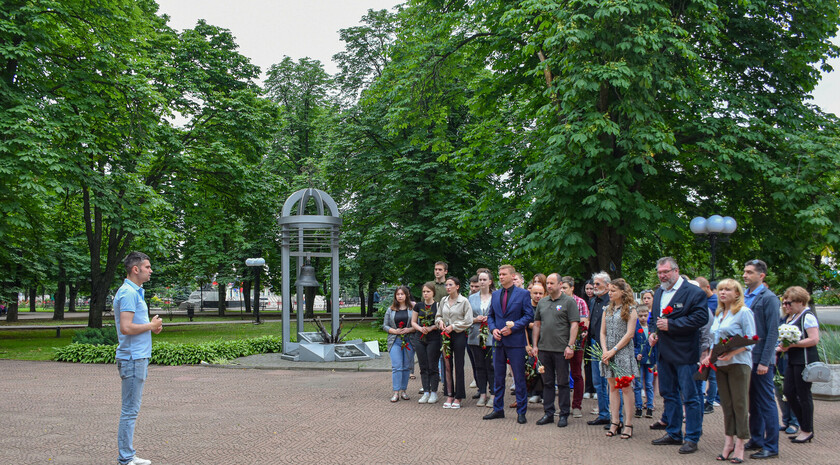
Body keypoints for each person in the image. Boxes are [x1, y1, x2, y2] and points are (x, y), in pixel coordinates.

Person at [649, 257, 708, 455]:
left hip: (685, 353)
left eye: (665, 271)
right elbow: (654, 319)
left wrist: (673, 325)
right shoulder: (659, 292)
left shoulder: (694, 293)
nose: (662, 275)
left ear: (676, 270)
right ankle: (673, 432)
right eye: (659, 272)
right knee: (668, 394)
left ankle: (692, 437)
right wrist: (652, 332)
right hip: (664, 353)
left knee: (690, 397)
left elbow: (701, 318)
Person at [114, 251, 162, 465]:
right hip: (133, 359)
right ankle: (125, 458)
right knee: (129, 411)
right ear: (136, 269)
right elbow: (126, 327)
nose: (151, 271)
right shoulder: (129, 293)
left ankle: (128, 455)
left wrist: (151, 328)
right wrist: (150, 326)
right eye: (148, 267)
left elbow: (134, 326)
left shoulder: (135, 292)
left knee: (131, 410)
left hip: (136, 358)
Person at [701, 279, 756, 464]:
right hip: (720, 365)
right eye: (721, 289)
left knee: (740, 403)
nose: (723, 292)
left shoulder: (743, 312)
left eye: (728, 289)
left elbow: (751, 338)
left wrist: (732, 352)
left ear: (737, 293)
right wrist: (709, 355)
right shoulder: (719, 313)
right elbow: (714, 340)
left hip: (739, 363)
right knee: (726, 404)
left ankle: (740, 444)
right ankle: (728, 441)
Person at [483, 264, 534, 424]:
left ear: (512, 276)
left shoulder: (523, 294)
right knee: (498, 377)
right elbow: (490, 316)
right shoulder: (496, 294)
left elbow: (528, 316)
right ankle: (498, 409)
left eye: (504, 274)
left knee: (519, 377)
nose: (500, 276)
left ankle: (521, 412)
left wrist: (513, 328)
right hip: (498, 341)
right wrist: (493, 330)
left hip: (516, 341)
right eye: (499, 274)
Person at [742, 259, 780, 459]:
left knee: (766, 402)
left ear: (761, 275)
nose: (745, 275)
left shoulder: (769, 298)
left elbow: (773, 332)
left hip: (760, 359)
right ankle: (756, 438)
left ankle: (771, 446)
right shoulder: (745, 296)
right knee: (753, 402)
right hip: (746, 357)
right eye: (745, 272)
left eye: (749, 272)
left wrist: (765, 361)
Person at [532, 273, 579, 427]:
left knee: (563, 382)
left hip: (561, 350)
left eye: (552, 283)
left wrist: (570, 345)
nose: (549, 286)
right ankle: (549, 413)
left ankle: (564, 414)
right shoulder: (543, 302)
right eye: (548, 283)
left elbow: (574, 324)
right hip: (544, 349)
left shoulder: (569, 302)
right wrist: (535, 345)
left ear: (560, 284)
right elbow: (537, 324)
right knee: (547, 382)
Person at [778, 286, 820, 445]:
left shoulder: (807, 316)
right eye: (784, 303)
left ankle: (807, 429)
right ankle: (804, 426)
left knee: (803, 394)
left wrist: (793, 344)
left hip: (805, 359)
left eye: (789, 303)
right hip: (793, 359)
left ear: (800, 302)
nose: (786, 306)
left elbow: (814, 339)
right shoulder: (794, 315)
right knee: (788, 391)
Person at [600, 279, 639, 439]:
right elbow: (602, 332)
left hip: (622, 352)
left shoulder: (631, 309)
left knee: (625, 387)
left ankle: (628, 423)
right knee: (612, 387)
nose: (610, 293)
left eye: (613, 290)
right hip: (608, 352)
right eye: (609, 290)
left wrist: (614, 350)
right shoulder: (606, 309)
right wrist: (605, 351)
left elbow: (630, 334)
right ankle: (615, 421)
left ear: (623, 292)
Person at [435, 277, 473, 409]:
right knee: (446, 364)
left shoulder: (464, 301)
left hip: (458, 335)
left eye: (450, 285)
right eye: (446, 285)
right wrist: (439, 322)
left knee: (458, 364)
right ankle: (449, 394)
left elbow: (468, 321)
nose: (447, 287)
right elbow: (438, 316)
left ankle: (459, 396)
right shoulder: (443, 301)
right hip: (445, 335)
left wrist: (454, 326)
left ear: (457, 286)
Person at [559, 276, 588, 418]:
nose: (562, 290)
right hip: (559, 344)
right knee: (562, 375)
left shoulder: (580, 302)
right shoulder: (557, 301)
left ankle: (576, 405)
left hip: (576, 344)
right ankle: (563, 406)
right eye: (561, 287)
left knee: (576, 374)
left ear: (572, 288)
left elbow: (583, 324)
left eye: (565, 288)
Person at [586, 272, 612, 426]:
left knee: (611, 382)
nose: (594, 287)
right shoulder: (593, 300)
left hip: (607, 345)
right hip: (594, 343)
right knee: (598, 382)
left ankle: (614, 415)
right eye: (594, 284)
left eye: (598, 284)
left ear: (607, 285)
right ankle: (603, 414)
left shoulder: (611, 301)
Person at [383, 286, 415, 402]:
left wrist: (409, 329)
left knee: (407, 366)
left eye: (402, 294)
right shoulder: (390, 309)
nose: (400, 296)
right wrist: (394, 331)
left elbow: (417, 324)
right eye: (398, 294)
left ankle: (404, 391)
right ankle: (396, 392)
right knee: (397, 366)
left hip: (409, 340)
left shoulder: (412, 309)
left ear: (406, 295)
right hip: (395, 341)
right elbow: (385, 326)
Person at [468, 271, 495, 407]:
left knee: (491, 366)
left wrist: (490, 320)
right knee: (479, 366)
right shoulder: (471, 298)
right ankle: (483, 393)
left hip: (491, 336)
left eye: (485, 279)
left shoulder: (496, 296)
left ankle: (494, 394)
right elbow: (466, 318)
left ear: (490, 281)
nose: (482, 282)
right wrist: (475, 319)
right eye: (480, 279)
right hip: (475, 336)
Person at [412, 282, 441, 404]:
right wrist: (420, 328)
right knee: (423, 365)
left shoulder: (438, 305)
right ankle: (426, 391)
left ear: (433, 292)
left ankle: (434, 392)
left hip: (434, 338)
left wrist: (431, 328)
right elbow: (413, 322)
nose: (425, 294)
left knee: (432, 365)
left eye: (428, 291)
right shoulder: (418, 306)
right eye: (424, 291)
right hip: (420, 337)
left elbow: (440, 321)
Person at [697, 276, 720, 414]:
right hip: (704, 342)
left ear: (707, 288)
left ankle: (710, 401)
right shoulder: (700, 301)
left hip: (713, 341)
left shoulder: (716, 301)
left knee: (711, 375)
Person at [525, 281, 546, 405]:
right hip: (529, 343)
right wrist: (527, 344)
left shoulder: (546, 306)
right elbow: (524, 326)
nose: (538, 295)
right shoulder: (526, 307)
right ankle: (533, 392)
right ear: (530, 294)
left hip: (544, 342)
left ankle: (542, 393)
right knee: (530, 368)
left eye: (540, 293)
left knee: (542, 368)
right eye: (535, 293)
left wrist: (535, 325)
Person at [633, 305, 655, 419]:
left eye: (645, 316)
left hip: (650, 359)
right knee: (638, 384)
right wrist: (637, 354)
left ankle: (650, 406)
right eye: (640, 316)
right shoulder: (635, 328)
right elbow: (634, 343)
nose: (643, 318)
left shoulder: (652, 328)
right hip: (640, 360)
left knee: (649, 384)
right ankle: (638, 407)